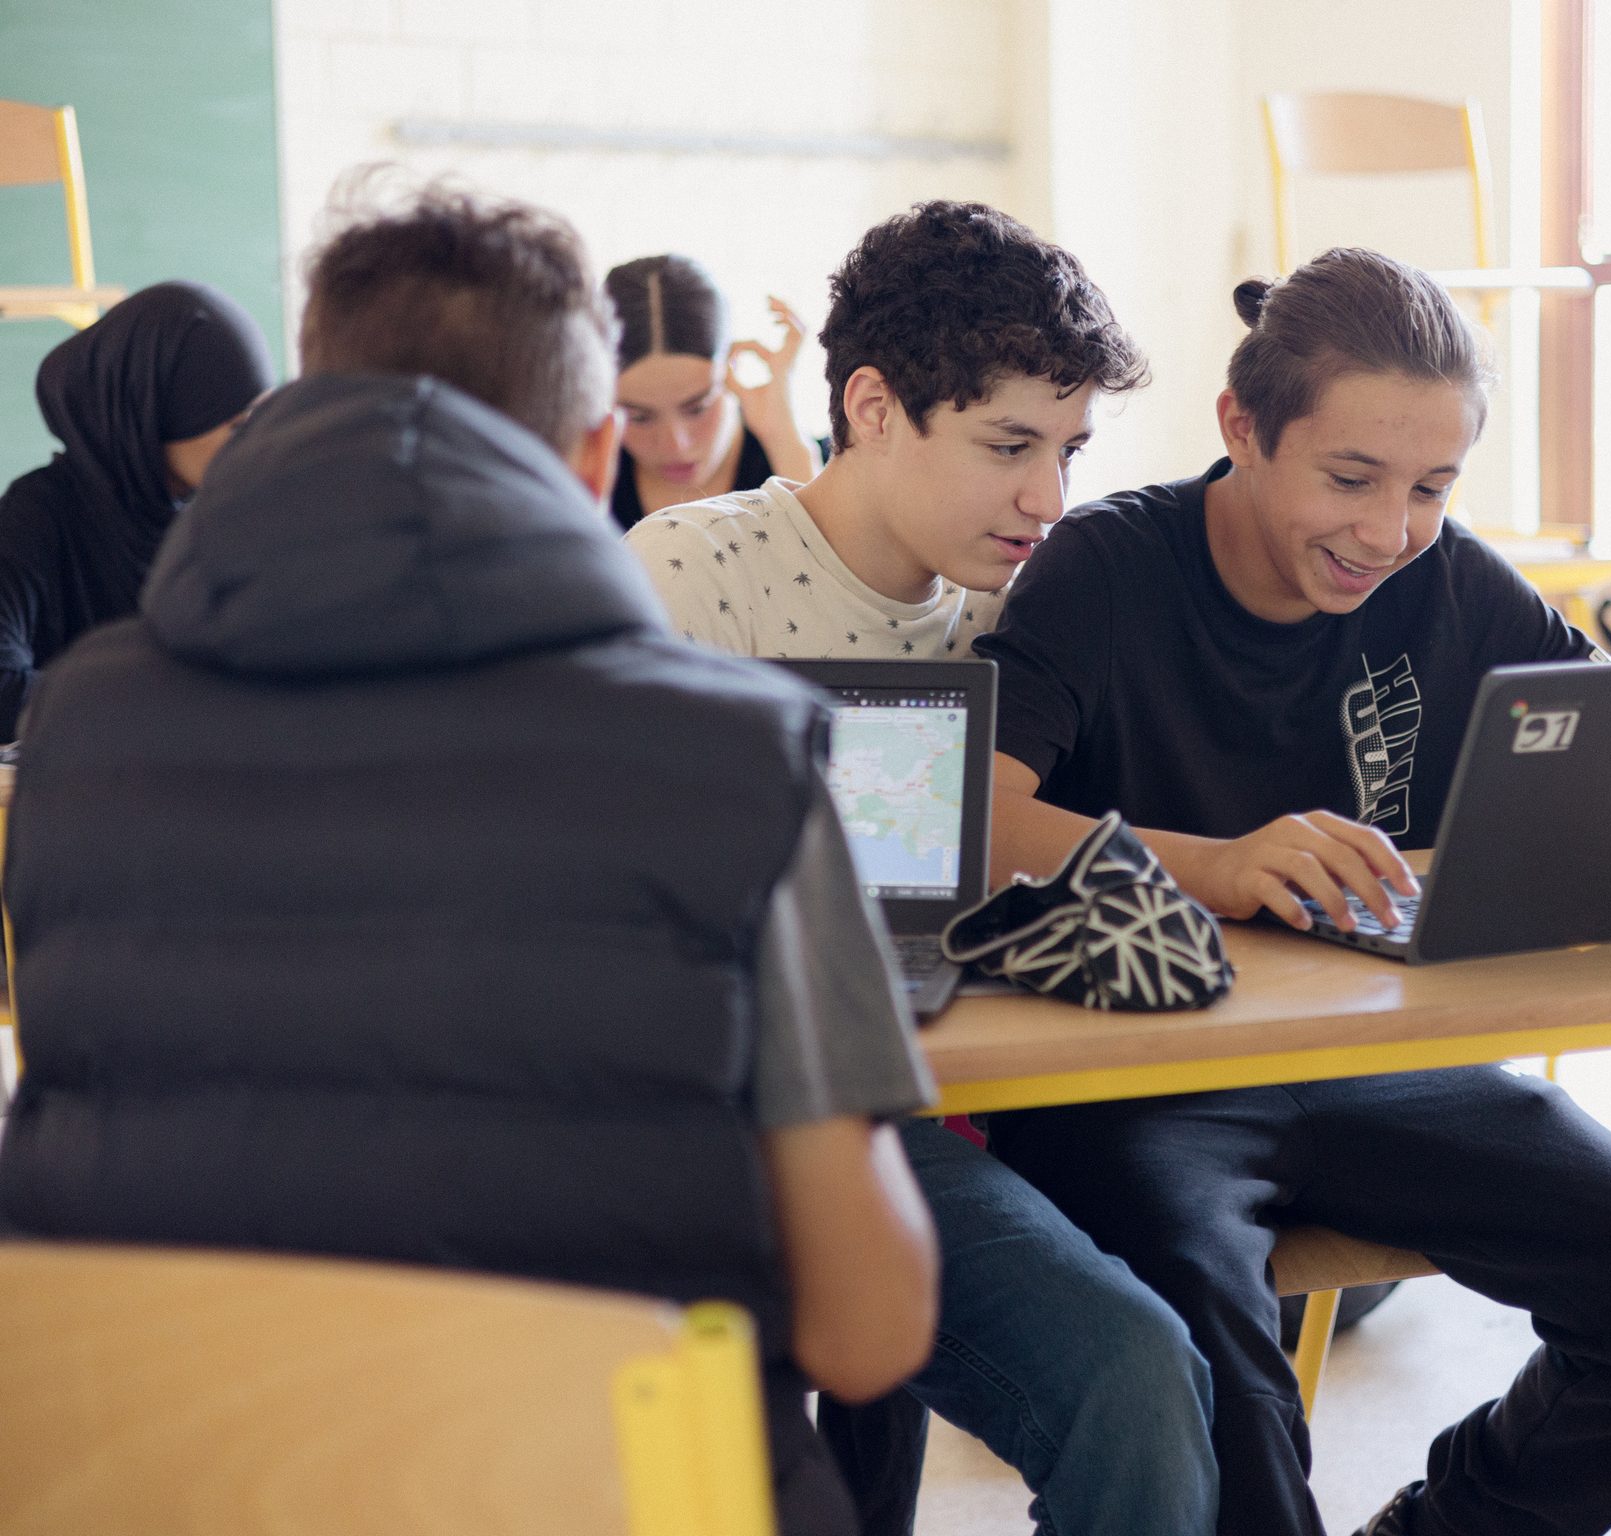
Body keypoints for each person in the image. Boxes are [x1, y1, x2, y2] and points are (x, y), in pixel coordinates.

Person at [0, 187, 937, 1536]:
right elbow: (868, 1333)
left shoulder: (78, 735)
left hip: (199, 1490)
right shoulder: (745, 760)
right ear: (595, 448)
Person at [975, 246, 1611, 1536]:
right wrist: (1222, 864)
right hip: (1131, 1078)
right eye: (1350, 478)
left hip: (1381, 1057)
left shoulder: (1447, 581)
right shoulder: (1107, 567)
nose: (1389, 532)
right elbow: (974, 816)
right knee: (1224, 1381)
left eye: (1432, 487)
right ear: (1241, 428)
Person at [628, 200, 1220, 1536]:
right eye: (1009, 444)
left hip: (977, 1111)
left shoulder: (1035, 612)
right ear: (875, 406)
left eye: (1069, 450)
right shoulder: (686, 576)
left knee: (1142, 1375)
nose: (1047, 497)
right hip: (731, 1131)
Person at [0, 280, 274, 738]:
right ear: (153, 415)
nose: (257, 444)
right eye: (237, 426)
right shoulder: (36, 518)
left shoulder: (224, 521)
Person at [604, 253, 822, 528]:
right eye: (639, 417)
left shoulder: (801, 462)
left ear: (731, 367)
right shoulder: (587, 473)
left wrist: (786, 444)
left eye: (697, 408)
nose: (676, 444)